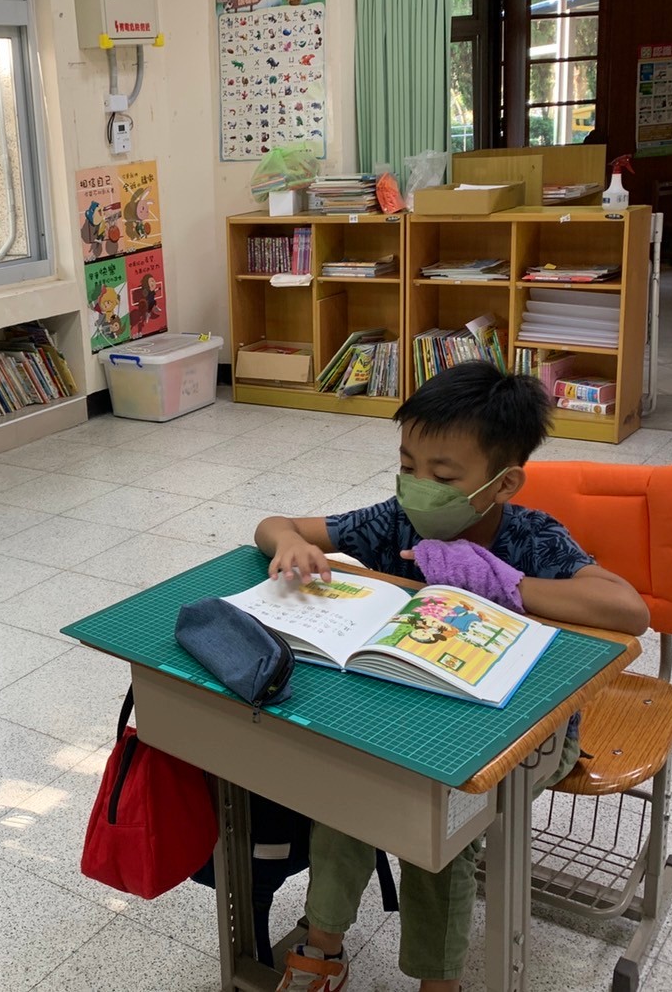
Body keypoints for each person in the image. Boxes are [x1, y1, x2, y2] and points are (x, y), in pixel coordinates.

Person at [253, 361, 649, 992]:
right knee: (347, 792)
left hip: (527, 731)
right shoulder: (396, 521)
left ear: (503, 483)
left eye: (441, 477)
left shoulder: (532, 538)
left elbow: (628, 610)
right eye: (407, 466)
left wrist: (506, 584)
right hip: (410, 711)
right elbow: (278, 525)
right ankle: (322, 945)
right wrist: (289, 545)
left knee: (438, 825)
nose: (418, 488)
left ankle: (440, 981)